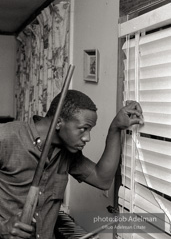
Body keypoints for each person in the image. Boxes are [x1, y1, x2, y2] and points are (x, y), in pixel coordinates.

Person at [0, 90, 143, 239]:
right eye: (83, 129)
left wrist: (115, 128)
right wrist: (3, 228)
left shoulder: (67, 151)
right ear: (58, 122)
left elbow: (103, 179)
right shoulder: (6, 137)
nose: (87, 138)